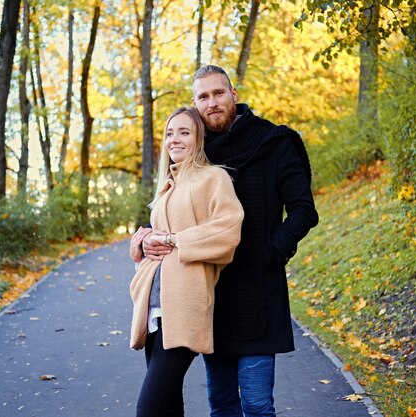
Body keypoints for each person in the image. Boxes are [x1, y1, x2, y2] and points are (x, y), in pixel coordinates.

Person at [133, 65, 319, 417]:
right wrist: (145, 238)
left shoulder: (274, 142)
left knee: (257, 403)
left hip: (258, 290)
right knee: (221, 403)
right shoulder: (197, 151)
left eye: (218, 93)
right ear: (195, 103)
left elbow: (303, 211)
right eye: (203, 97)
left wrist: (270, 253)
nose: (212, 102)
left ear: (234, 94)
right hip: (210, 292)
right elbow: (170, 209)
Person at [129, 106, 244, 417]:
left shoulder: (213, 177)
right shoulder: (168, 185)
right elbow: (157, 235)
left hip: (184, 306)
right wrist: (142, 241)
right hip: (154, 309)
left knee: (148, 409)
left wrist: (170, 239)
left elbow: (228, 231)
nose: (174, 139)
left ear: (198, 139)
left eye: (184, 132)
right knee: (167, 406)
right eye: (169, 133)